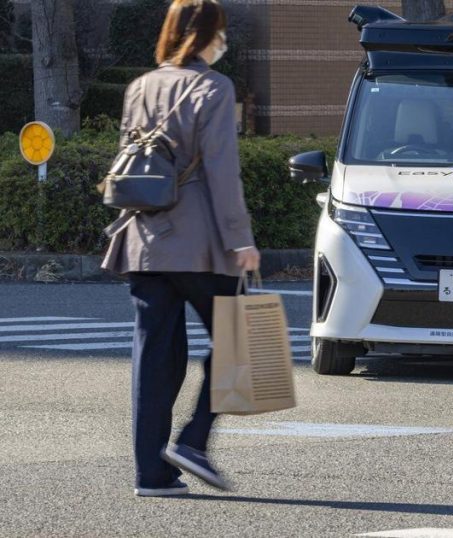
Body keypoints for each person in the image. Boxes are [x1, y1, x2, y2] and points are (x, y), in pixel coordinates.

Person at [100, 0, 259, 497]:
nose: (223, 42)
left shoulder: (139, 86)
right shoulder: (213, 87)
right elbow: (220, 172)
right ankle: (193, 440)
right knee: (240, 341)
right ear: (209, 36)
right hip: (200, 244)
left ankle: (151, 473)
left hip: (144, 239)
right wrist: (242, 240)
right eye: (221, 33)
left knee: (154, 356)